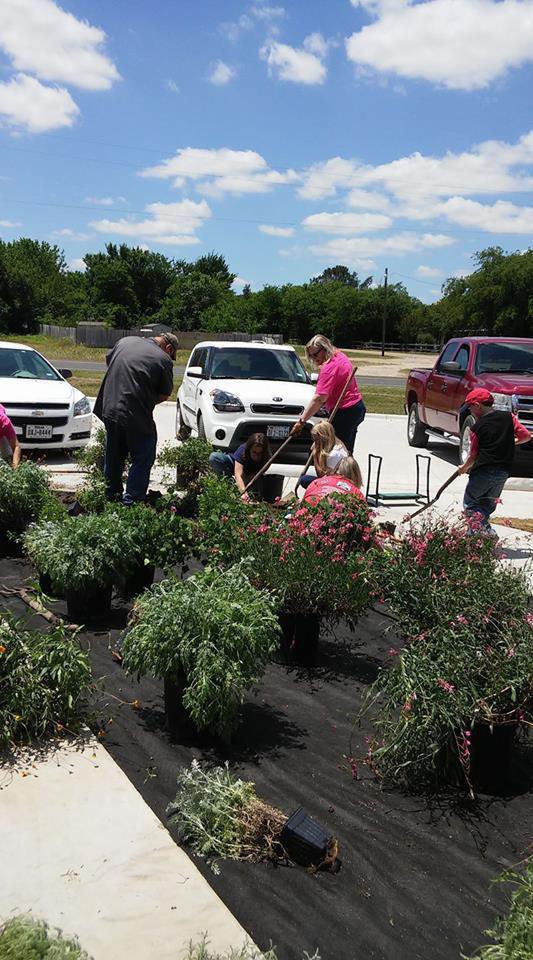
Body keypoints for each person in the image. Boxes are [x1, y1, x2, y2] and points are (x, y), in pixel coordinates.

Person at [94, 332, 178, 504]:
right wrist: (145, 396)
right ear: (169, 348)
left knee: (114, 454)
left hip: (109, 407)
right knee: (144, 453)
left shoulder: (124, 341)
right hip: (135, 412)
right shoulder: (163, 358)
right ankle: (132, 501)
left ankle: (112, 496)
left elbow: (111, 363)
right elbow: (164, 394)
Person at [458, 387, 531, 535]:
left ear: (477, 406)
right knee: (486, 506)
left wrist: (463, 468)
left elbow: (473, 455)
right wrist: (510, 442)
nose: (470, 411)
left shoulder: (477, 427)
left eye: (470, 408)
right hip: (503, 473)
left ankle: (486, 534)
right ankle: (475, 537)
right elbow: (526, 436)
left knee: (471, 505)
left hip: (483, 472)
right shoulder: (508, 417)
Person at [291, 335, 366, 453]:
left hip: (345, 411)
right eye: (310, 355)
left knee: (336, 451)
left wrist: (302, 421)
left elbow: (320, 399)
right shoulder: (339, 355)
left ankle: (341, 471)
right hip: (356, 408)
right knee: (345, 450)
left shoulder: (329, 367)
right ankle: (347, 469)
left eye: (315, 354)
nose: (313, 358)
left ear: (325, 349)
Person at [208, 432, 282, 502]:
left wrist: (249, 480)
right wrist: (243, 492)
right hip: (235, 465)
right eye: (254, 452)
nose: (256, 456)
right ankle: (230, 487)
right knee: (214, 457)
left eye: (259, 453)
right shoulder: (243, 449)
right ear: (249, 449)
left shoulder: (267, 456)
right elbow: (238, 475)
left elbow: (259, 472)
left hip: (251, 473)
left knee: (256, 495)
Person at [298, 421, 348, 490]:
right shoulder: (336, 443)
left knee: (304, 480)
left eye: (315, 439)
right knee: (306, 479)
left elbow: (322, 477)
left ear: (321, 437)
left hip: (339, 486)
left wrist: (315, 454)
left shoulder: (334, 454)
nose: (314, 442)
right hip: (336, 481)